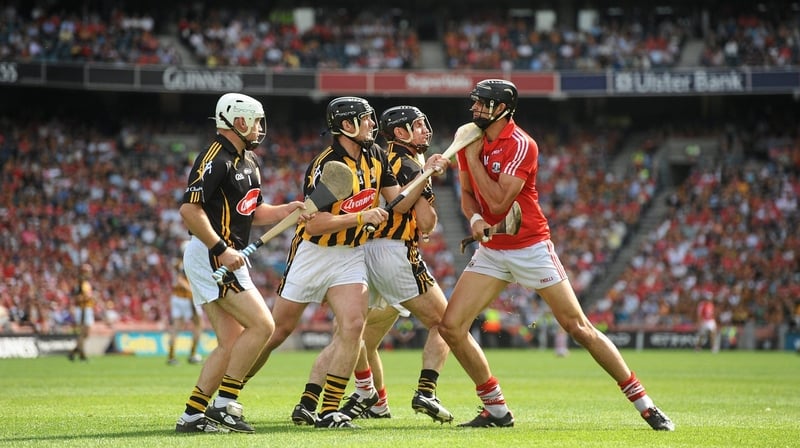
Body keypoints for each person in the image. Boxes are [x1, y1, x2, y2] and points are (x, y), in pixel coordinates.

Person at [437, 79, 675, 431]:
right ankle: (496, 410)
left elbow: (500, 203)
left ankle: (645, 404)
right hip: (492, 250)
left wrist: (472, 157)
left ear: (503, 109)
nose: (474, 109)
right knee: (451, 327)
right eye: (474, 102)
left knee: (579, 328)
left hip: (531, 247)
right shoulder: (470, 138)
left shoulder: (522, 145)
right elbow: (468, 195)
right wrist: (474, 220)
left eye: (482, 103)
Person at [244, 97, 447, 429]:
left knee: (353, 327)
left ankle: (329, 410)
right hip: (313, 252)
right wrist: (359, 217)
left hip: (351, 253)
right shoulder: (326, 164)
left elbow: (397, 203)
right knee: (277, 331)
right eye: (366, 119)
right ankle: (228, 392)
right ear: (347, 125)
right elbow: (314, 225)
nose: (373, 124)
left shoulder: (376, 154)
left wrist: (425, 175)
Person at [174, 92, 309, 434]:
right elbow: (189, 209)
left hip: (226, 255)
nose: (261, 127)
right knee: (263, 325)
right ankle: (224, 405)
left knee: (231, 341)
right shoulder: (215, 157)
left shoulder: (249, 161)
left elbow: (253, 212)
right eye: (256, 120)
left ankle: (192, 415)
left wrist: (288, 210)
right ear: (238, 121)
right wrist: (220, 248)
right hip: (212, 255)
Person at [166, 257, 204, 366]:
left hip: (176, 297)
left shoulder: (177, 263)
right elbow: (180, 280)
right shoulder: (187, 263)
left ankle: (171, 357)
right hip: (187, 298)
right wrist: (193, 291)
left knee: (176, 327)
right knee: (199, 325)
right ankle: (193, 354)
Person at [68, 263, 94, 362]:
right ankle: (82, 354)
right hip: (83, 309)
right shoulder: (80, 284)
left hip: (87, 308)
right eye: (88, 271)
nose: (90, 273)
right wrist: (87, 297)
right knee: (84, 332)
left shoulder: (86, 283)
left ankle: (75, 351)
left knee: (85, 334)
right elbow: (76, 297)